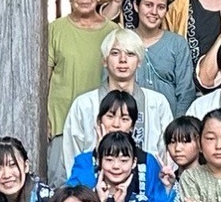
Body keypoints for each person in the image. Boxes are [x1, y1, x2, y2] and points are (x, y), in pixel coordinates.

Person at [58, 27, 175, 173]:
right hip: (92, 182)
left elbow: (167, 153)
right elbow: (71, 155)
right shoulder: (84, 104)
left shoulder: (157, 103)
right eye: (115, 53)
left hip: (147, 182)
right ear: (104, 60)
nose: (123, 60)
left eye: (130, 54)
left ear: (139, 61)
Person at [47, 0, 117, 152]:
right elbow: (43, 76)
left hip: (103, 123)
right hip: (61, 122)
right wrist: (43, 117)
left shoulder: (113, 31)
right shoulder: (55, 29)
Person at [123, 0, 198, 116]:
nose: (154, 12)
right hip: (128, 122)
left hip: (168, 122)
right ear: (136, 5)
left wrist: (176, 125)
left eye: (161, 7)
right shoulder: (122, 42)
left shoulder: (177, 44)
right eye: (148, 5)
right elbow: (109, 86)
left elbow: (186, 92)